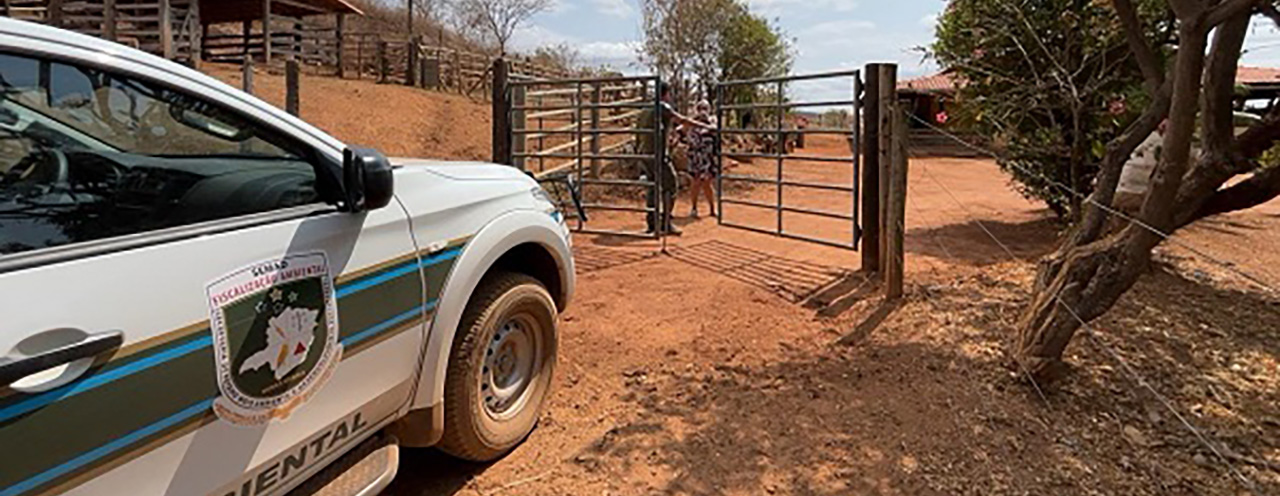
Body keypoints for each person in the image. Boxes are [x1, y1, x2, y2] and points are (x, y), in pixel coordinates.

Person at [635, 82, 714, 235]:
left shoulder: (645, 109)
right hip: (658, 155)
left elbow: (638, 132)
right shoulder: (663, 107)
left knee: (652, 188)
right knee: (671, 186)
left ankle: (652, 223)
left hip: (645, 154)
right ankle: (666, 223)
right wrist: (705, 126)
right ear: (665, 94)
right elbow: (682, 120)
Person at [685, 100, 719, 218]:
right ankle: (694, 208)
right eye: (700, 108)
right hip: (695, 156)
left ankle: (712, 209)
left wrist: (704, 121)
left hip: (707, 157)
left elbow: (714, 129)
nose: (703, 111)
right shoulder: (691, 121)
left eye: (705, 108)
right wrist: (694, 120)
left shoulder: (712, 120)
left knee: (707, 183)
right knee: (695, 182)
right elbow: (681, 130)